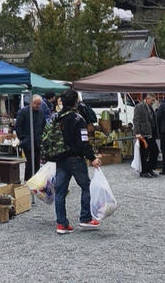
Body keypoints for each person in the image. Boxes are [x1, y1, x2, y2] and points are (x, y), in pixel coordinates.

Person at [54, 88, 102, 234]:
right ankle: (85, 218)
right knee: (86, 187)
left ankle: (61, 224)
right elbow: (83, 142)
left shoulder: (56, 117)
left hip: (60, 157)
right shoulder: (77, 118)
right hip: (75, 158)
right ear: (76, 102)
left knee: (60, 192)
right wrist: (92, 157)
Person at [15, 95, 45, 182]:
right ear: (31, 102)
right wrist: (23, 139)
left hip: (38, 141)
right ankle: (27, 181)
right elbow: (18, 127)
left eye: (40, 104)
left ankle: (36, 181)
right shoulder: (23, 112)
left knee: (37, 163)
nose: (38, 106)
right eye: (36, 104)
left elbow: (43, 125)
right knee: (30, 163)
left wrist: (42, 137)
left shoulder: (41, 112)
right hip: (27, 141)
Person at [133, 94, 159, 178]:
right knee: (144, 154)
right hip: (143, 134)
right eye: (152, 100)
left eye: (154, 100)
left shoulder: (151, 107)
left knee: (155, 151)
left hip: (151, 134)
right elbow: (136, 120)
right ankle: (144, 171)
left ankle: (149, 169)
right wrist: (137, 133)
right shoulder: (139, 106)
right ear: (147, 99)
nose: (153, 102)